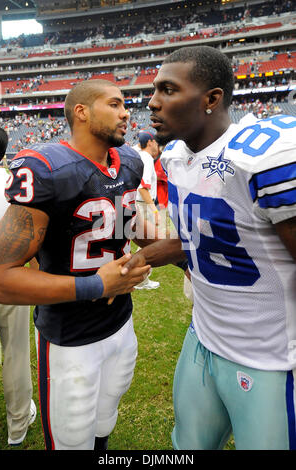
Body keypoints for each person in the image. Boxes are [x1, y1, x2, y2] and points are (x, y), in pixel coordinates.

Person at [123, 45, 296, 450]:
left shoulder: (264, 155)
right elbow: (212, 233)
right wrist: (152, 254)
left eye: (168, 89)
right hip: (203, 335)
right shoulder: (177, 157)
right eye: (154, 89)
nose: (151, 101)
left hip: (268, 357)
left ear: (211, 99)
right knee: (188, 445)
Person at [0, 79, 151, 451]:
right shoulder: (48, 169)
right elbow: (0, 278)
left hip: (120, 323)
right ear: (81, 112)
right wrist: (95, 286)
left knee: (104, 420)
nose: (126, 112)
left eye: (125, 104)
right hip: (70, 336)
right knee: (71, 438)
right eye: (114, 104)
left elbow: (137, 224)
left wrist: (169, 251)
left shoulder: (129, 161)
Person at [0, 126, 37, 446]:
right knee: (16, 352)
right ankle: (18, 425)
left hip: (8, 275)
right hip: (10, 277)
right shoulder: (15, 183)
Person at [134, 129, 160, 290]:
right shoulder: (146, 158)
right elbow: (144, 188)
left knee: (142, 243)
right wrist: (155, 211)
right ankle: (140, 279)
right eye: (156, 142)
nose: (157, 145)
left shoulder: (138, 154)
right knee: (147, 244)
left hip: (138, 202)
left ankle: (139, 277)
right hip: (143, 203)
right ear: (150, 142)